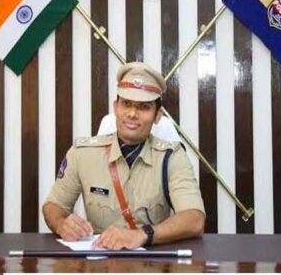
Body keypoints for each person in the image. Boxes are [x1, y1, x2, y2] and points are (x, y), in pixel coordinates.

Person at [42, 62, 204, 250]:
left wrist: (143, 235)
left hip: (151, 261)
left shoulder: (172, 157)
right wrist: (61, 224)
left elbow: (194, 220)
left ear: (157, 115)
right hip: (98, 259)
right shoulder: (82, 153)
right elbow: (53, 206)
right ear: (115, 107)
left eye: (144, 107)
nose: (132, 114)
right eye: (126, 104)